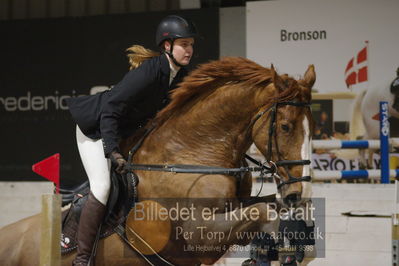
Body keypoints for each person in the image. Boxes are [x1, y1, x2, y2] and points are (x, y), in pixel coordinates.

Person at [66, 15, 197, 265]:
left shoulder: (180, 77)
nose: (189, 50)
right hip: (96, 127)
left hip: (123, 131)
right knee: (102, 186)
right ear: (167, 46)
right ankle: (82, 259)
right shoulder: (149, 72)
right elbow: (110, 110)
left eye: (191, 45)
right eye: (184, 44)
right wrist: (113, 152)